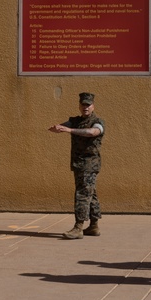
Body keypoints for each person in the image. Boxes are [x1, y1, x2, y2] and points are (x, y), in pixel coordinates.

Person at [49, 92, 104, 239]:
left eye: (88, 104)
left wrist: (70, 130)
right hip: (79, 164)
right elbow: (62, 126)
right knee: (91, 195)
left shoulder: (97, 122)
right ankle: (93, 226)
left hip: (89, 165)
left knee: (82, 195)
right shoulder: (75, 121)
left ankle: (78, 227)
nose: (85, 107)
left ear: (93, 106)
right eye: (83, 104)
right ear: (79, 106)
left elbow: (93, 132)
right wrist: (58, 127)